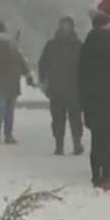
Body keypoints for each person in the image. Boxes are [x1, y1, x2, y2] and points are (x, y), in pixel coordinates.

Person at [78, 12, 110, 192]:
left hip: (92, 99)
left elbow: (79, 75)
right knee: (108, 139)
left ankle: (96, 175)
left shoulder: (86, 46)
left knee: (96, 138)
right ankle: (106, 176)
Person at [39, 16, 84, 156]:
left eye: (67, 25)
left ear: (72, 28)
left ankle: (77, 143)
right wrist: (43, 80)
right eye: (63, 25)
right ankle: (59, 145)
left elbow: (84, 67)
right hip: (57, 87)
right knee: (58, 119)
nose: (65, 28)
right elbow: (43, 64)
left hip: (74, 88)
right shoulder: (51, 45)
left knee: (75, 118)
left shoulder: (79, 46)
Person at [0, 20, 33, 145]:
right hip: (3, 83)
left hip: (8, 83)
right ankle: (0, 135)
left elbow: (20, 61)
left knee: (5, 111)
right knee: (3, 110)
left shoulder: (11, 47)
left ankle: (5, 135)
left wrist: (28, 74)